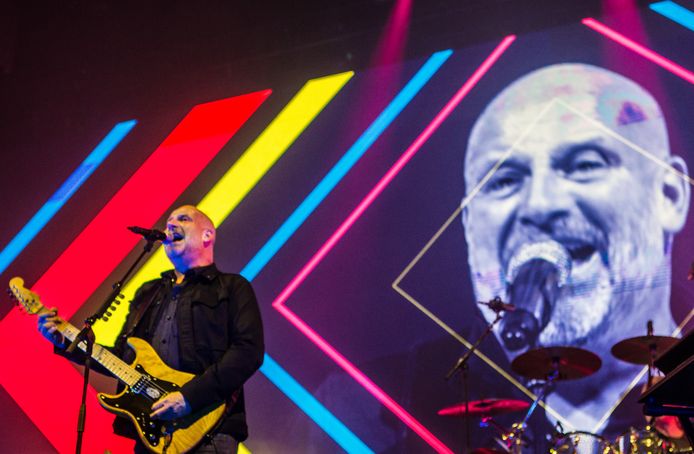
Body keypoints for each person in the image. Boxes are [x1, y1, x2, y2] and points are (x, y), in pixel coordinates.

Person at [461, 64, 690, 434]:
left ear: (669, 196)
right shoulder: (438, 401)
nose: (540, 204)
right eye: (504, 179)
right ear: (470, 226)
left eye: (584, 165)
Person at [37, 205, 265, 453]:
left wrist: (188, 397)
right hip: (152, 430)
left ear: (207, 235)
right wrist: (66, 342)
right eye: (169, 221)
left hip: (209, 431)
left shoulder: (232, 287)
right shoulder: (149, 292)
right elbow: (123, 360)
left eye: (183, 219)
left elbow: (248, 352)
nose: (171, 225)